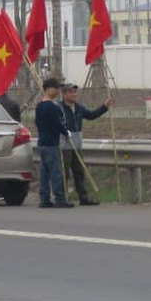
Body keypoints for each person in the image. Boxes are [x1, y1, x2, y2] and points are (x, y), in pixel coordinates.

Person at [60, 83, 111, 206]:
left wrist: (104, 107)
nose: (73, 94)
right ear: (64, 94)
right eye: (71, 92)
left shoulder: (78, 108)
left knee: (79, 172)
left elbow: (91, 115)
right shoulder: (59, 108)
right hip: (65, 145)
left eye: (75, 92)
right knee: (64, 173)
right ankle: (63, 197)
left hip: (77, 144)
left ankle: (83, 198)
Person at [34, 78, 73, 208]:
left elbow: (37, 123)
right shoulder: (52, 106)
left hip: (41, 142)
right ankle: (60, 198)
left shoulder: (39, 105)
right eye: (55, 88)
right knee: (55, 173)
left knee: (44, 173)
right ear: (48, 89)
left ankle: (44, 199)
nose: (58, 91)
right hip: (51, 143)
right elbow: (58, 124)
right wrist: (66, 133)